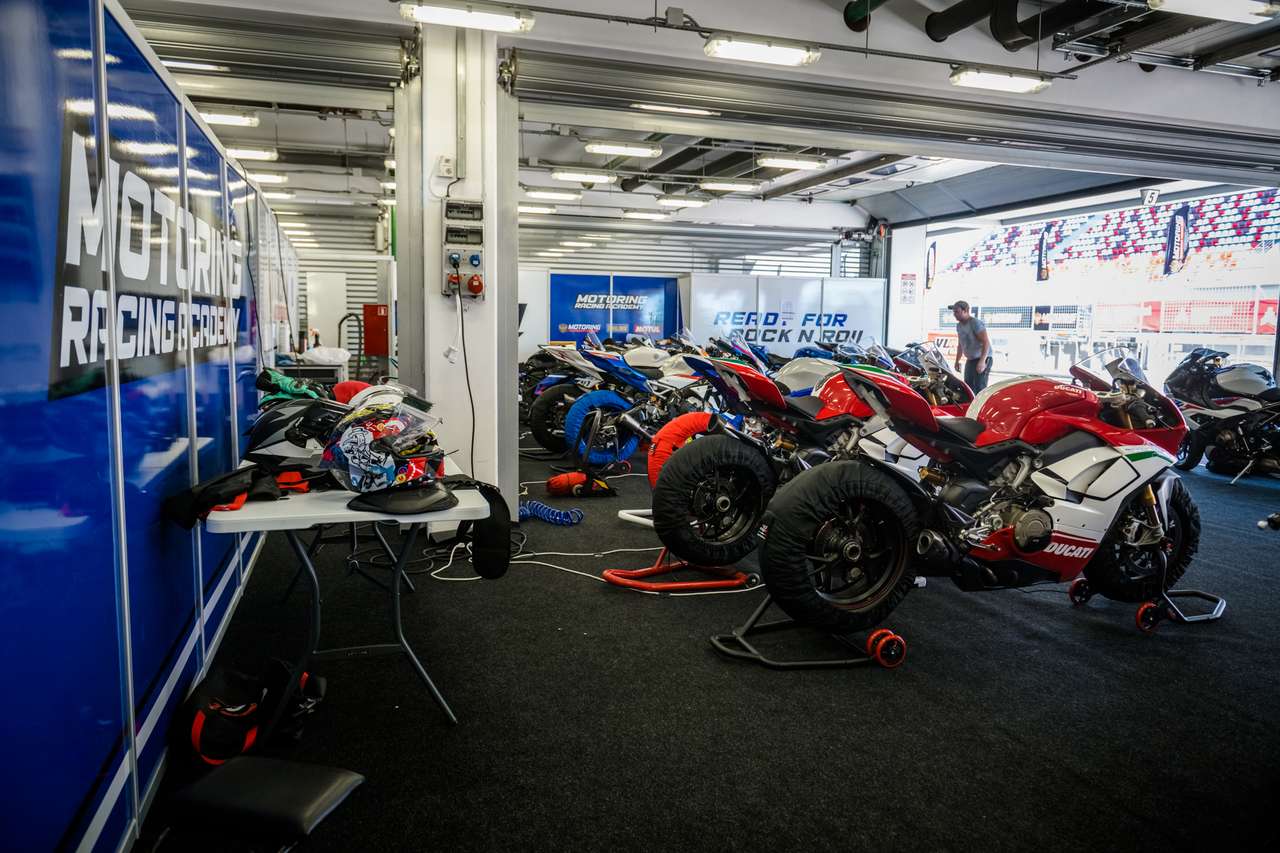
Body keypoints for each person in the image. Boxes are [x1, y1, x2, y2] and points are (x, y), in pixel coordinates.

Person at [948, 300, 992, 393]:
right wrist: (957, 361)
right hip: (971, 359)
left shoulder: (975, 323)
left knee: (979, 387)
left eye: (957, 312)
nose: (954, 314)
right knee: (968, 386)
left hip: (982, 357)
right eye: (954, 312)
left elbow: (986, 342)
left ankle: (980, 402)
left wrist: (982, 361)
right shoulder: (959, 326)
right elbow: (960, 344)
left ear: (965, 311)